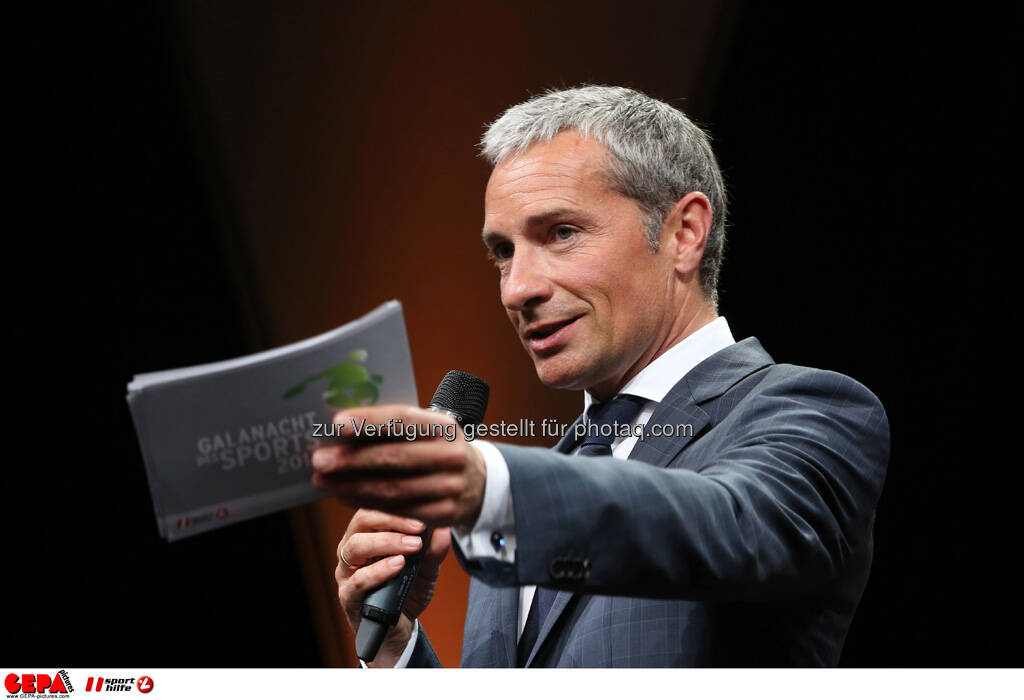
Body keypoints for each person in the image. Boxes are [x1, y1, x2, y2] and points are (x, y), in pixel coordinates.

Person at [311, 85, 890, 667]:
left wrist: (491, 486)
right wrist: (394, 651)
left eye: (561, 233)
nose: (516, 290)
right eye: (503, 252)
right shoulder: (537, 486)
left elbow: (731, 524)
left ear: (683, 233)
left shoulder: (812, 410)